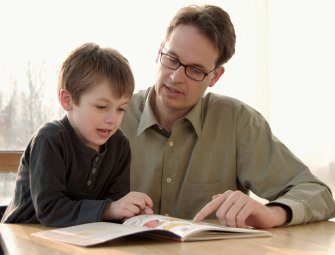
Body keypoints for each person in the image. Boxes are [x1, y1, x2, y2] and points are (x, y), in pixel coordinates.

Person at [121, 5, 335, 229]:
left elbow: (317, 194)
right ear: (159, 52)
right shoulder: (113, 116)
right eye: (171, 59)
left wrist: (272, 214)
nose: (176, 77)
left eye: (195, 70)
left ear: (214, 77)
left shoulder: (237, 122)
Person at [1, 43, 153, 227]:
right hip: (23, 238)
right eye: (101, 107)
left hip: (79, 238)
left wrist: (130, 212)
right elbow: (50, 210)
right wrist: (109, 209)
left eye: (121, 109)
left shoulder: (120, 145)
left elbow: (116, 201)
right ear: (67, 100)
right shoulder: (49, 139)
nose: (113, 119)